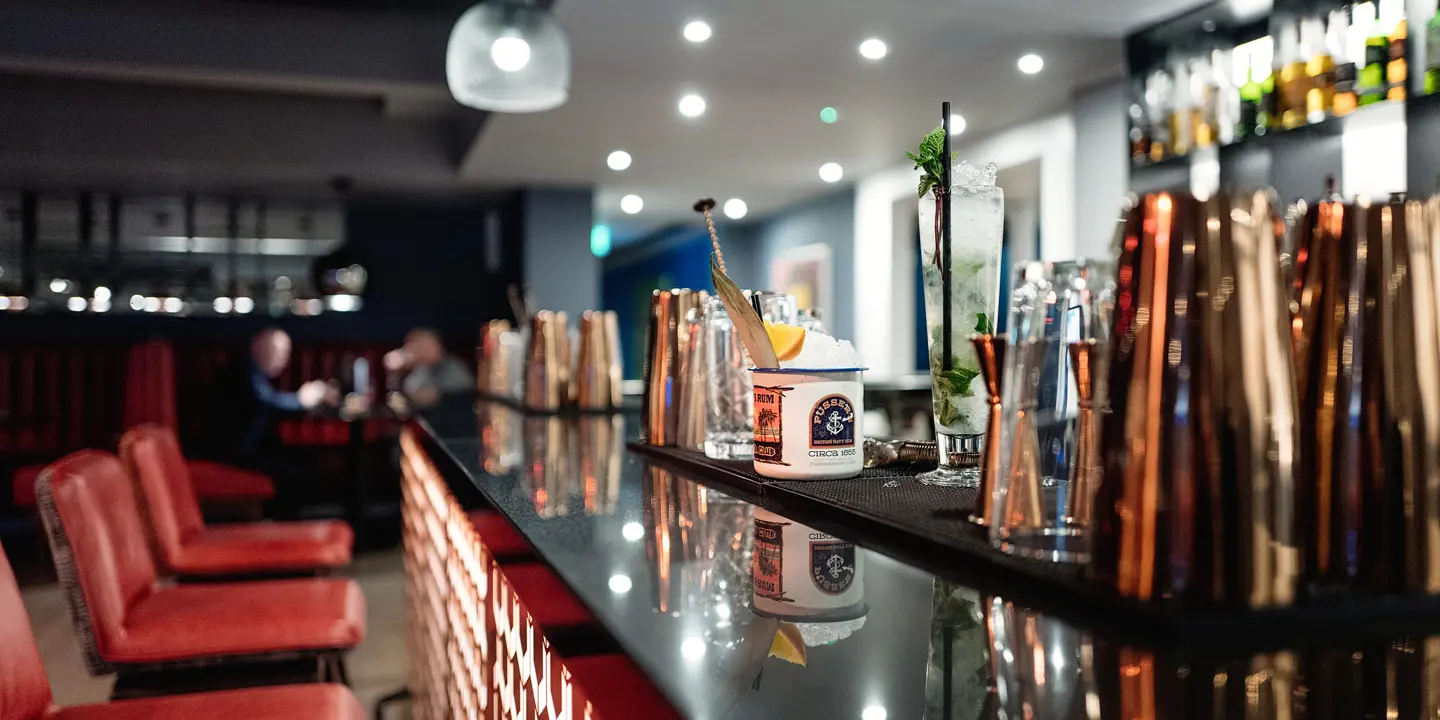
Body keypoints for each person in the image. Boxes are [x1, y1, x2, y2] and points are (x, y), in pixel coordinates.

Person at [193, 328, 336, 517]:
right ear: (258, 347)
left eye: (286, 354)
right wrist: (303, 399)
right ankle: (285, 528)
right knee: (296, 473)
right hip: (229, 452)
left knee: (305, 462)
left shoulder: (252, 372)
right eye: (278, 352)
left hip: (241, 449)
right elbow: (268, 402)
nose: (283, 359)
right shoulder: (243, 371)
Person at [384, 328, 474, 408]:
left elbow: (464, 394)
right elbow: (402, 396)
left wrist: (439, 395)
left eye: (421, 345)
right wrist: (397, 371)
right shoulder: (418, 368)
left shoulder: (455, 367)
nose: (415, 350)